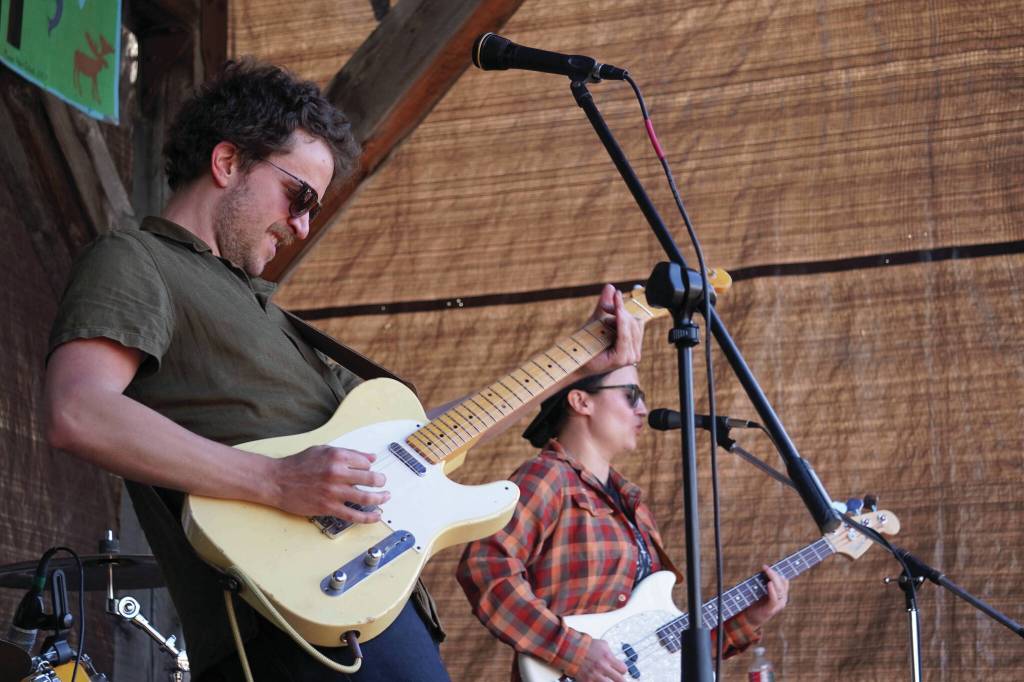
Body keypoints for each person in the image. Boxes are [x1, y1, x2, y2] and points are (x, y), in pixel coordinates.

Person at [42, 59, 643, 681]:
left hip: (368, 600)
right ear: (227, 163)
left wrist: (575, 367)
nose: (302, 226)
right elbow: (79, 411)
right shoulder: (138, 259)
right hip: (282, 620)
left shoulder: (266, 313)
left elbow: (416, 444)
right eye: (299, 197)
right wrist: (275, 482)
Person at [456, 366, 790, 682]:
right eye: (631, 394)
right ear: (581, 401)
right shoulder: (546, 477)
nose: (643, 408)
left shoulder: (633, 503)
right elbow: (485, 567)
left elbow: (656, 647)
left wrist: (749, 617)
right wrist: (571, 650)